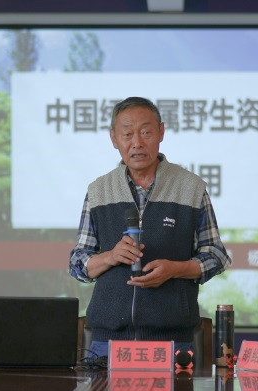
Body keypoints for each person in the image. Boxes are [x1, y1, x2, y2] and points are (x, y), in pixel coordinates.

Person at [69, 96, 231, 358]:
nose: (137, 143)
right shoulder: (99, 190)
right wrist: (110, 256)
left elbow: (216, 255)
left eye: (146, 132)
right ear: (113, 138)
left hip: (172, 342)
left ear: (161, 132)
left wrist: (175, 270)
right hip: (107, 343)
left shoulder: (190, 187)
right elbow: (78, 263)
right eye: (127, 134)